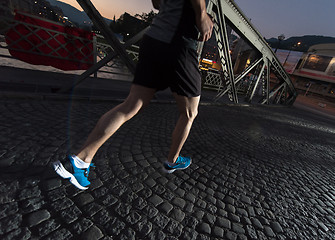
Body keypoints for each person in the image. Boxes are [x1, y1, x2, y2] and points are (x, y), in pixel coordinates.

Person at [53, 0, 214, 190]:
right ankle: (172, 160)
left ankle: (80, 160)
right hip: (179, 45)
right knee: (189, 113)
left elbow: (156, 4)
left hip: (154, 39)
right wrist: (202, 14)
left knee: (131, 105)